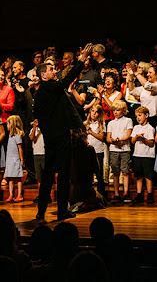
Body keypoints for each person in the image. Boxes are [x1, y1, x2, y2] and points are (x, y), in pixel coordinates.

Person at [33, 43, 93, 222]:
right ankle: (59, 211)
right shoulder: (49, 87)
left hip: (52, 137)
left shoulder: (45, 90)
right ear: (43, 75)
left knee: (49, 175)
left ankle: (44, 212)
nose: (55, 70)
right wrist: (81, 61)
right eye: (51, 69)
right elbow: (66, 81)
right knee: (62, 174)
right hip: (58, 137)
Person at [106, 100, 133, 204]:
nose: (115, 112)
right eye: (114, 110)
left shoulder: (128, 120)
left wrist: (120, 140)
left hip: (125, 149)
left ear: (123, 111)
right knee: (115, 172)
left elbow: (128, 135)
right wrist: (113, 140)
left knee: (125, 172)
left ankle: (126, 193)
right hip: (114, 150)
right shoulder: (111, 123)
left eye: (117, 110)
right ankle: (116, 194)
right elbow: (108, 138)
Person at [130, 106, 156, 204]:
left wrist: (143, 139)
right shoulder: (136, 127)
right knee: (139, 176)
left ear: (146, 115)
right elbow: (132, 141)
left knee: (148, 176)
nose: (138, 118)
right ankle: (139, 194)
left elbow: (151, 143)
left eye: (140, 115)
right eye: (137, 116)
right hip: (137, 155)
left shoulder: (150, 128)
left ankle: (150, 195)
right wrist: (136, 137)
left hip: (147, 156)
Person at [127, 63, 157, 127]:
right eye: (148, 72)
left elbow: (148, 86)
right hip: (144, 119)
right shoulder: (144, 88)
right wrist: (131, 76)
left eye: (150, 72)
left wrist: (136, 72)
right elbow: (132, 91)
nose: (148, 74)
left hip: (156, 119)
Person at [84, 104, 107, 199]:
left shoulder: (101, 124)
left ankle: (101, 194)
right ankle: (88, 194)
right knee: (87, 173)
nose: (94, 113)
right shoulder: (85, 123)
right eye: (92, 111)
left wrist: (91, 132)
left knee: (99, 173)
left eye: (96, 112)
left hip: (98, 150)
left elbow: (101, 137)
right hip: (87, 151)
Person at [4, 115, 25, 202]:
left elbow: (20, 148)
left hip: (15, 159)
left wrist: (21, 159)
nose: (7, 125)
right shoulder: (10, 136)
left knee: (17, 178)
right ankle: (11, 195)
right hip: (9, 160)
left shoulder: (17, 136)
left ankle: (19, 195)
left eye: (8, 123)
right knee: (10, 178)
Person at [29, 119, 46, 203]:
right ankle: (41, 195)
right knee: (39, 177)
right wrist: (34, 128)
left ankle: (47, 195)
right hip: (36, 154)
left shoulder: (46, 129)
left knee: (45, 176)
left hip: (44, 154)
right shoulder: (33, 130)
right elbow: (32, 138)